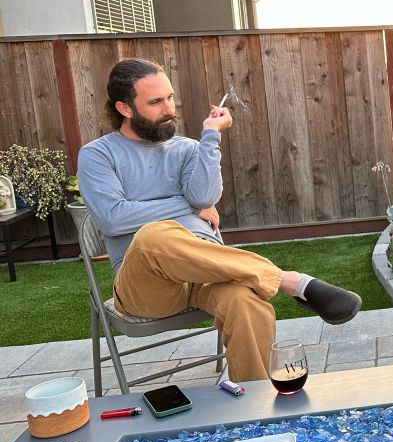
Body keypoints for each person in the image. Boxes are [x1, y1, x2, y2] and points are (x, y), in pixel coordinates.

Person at [78, 58, 362, 383]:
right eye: (156, 102)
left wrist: (211, 137)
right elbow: (113, 219)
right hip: (148, 286)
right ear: (124, 108)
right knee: (154, 236)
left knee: (246, 302)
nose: (169, 109)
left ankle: (257, 402)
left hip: (206, 275)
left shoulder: (188, 148)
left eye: (170, 97)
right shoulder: (98, 154)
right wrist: (184, 207)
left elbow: (203, 198)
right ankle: (290, 281)